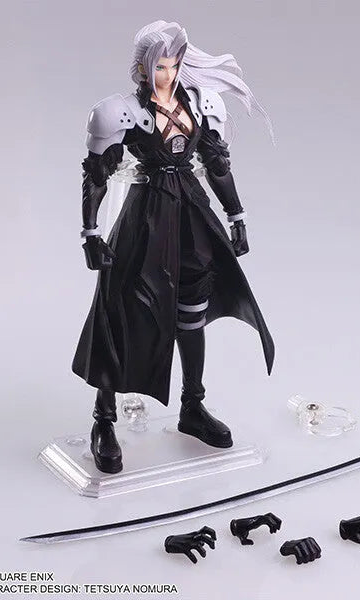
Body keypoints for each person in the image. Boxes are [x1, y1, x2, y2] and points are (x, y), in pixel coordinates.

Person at [72, 21, 275, 474]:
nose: (169, 74)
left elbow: (217, 164)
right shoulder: (119, 112)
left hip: (192, 215)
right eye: (160, 66)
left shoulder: (202, 103)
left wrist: (237, 216)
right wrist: (90, 233)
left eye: (175, 64)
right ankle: (104, 419)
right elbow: (98, 175)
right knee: (120, 311)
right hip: (145, 218)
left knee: (192, 309)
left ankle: (192, 406)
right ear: (143, 68)